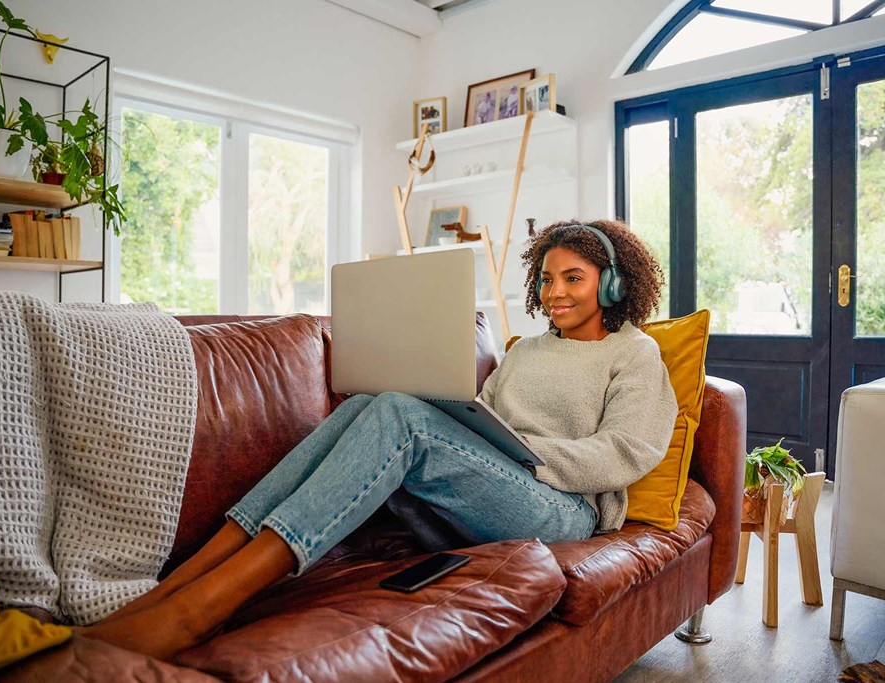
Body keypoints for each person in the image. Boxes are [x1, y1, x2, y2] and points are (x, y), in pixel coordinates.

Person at [83, 219, 679, 660]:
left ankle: (203, 607)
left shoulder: (633, 353)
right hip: (488, 493)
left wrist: (527, 455)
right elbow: (488, 416)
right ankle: (182, 580)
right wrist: (474, 424)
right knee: (374, 401)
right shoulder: (527, 350)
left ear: (611, 284)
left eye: (573, 278)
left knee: (398, 416)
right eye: (547, 279)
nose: (555, 292)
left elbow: (627, 451)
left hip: (562, 507)